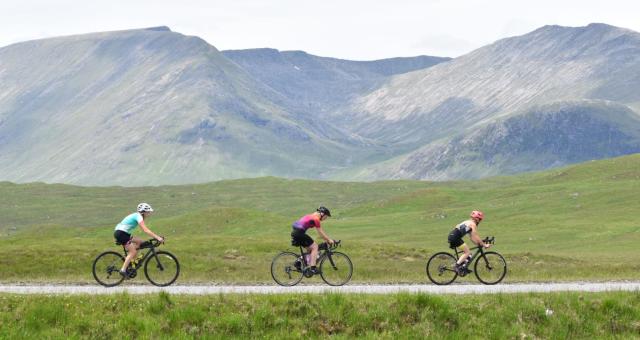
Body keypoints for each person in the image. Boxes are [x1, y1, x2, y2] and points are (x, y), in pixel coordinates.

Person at [113, 203, 164, 277]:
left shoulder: (137, 215)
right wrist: (158, 237)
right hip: (122, 233)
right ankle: (123, 270)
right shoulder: (138, 216)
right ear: (143, 212)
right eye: (148, 212)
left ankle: (132, 261)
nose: (149, 214)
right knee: (132, 251)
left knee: (139, 241)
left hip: (122, 233)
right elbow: (145, 230)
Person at [291, 206, 335, 275]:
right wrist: (329, 239)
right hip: (299, 233)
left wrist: (325, 239)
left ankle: (298, 262)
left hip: (296, 233)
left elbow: (319, 234)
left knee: (310, 250)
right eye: (326, 217)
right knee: (315, 247)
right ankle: (313, 268)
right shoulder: (316, 218)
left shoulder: (311, 216)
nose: (325, 219)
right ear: (322, 214)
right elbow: (320, 232)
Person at [448, 210, 491, 274]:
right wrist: (484, 245)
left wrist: (479, 244)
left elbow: (472, 238)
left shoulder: (468, 222)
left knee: (469, 254)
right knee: (467, 252)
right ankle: (456, 266)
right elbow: (475, 235)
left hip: (453, 237)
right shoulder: (473, 224)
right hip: (455, 238)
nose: (480, 221)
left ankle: (463, 268)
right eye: (479, 219)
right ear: (476, 219)